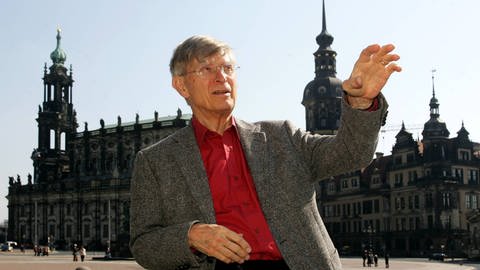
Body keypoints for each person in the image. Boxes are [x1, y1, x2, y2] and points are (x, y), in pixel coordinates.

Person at [130, 35, 401, 270]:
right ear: (181, 85)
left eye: (227, 68)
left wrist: (362, 102)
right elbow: (143, 245)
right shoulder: (155, 161)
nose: (221, 76)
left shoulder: (282, 136)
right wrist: (191, 235)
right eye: (206, 68)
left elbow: (351, 153)